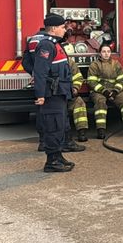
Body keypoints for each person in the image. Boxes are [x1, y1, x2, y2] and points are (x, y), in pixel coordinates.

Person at [34, 13, 82, 173]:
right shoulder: (46, 46)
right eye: (62, 27)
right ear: (54, 29)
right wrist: (40, 95)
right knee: (53, 127)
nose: (65, 29)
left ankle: (58, 156)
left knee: (60, 125)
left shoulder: (55, 44)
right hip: (51, 94)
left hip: (60, 93)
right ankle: (52, 161)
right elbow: (40, 72)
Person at [87, 44, 123, 138]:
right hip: (98, 91)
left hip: (114, 90)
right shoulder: (94, 65)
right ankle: (101, 130)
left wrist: (115, 91)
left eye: (108, 51)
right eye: (104, 51)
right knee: (100, 102)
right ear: (100, 53)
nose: (106, 54)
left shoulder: (116, 64)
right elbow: (91, 82)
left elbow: (121, 79)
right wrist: (104, 91)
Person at [67, 57, 89, 142]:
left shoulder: (69, 62)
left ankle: (82, 132)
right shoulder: (47, 61)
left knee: (79, 102)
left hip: (69, 95)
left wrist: (75, 88)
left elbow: (78, 77)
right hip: (55, 96)